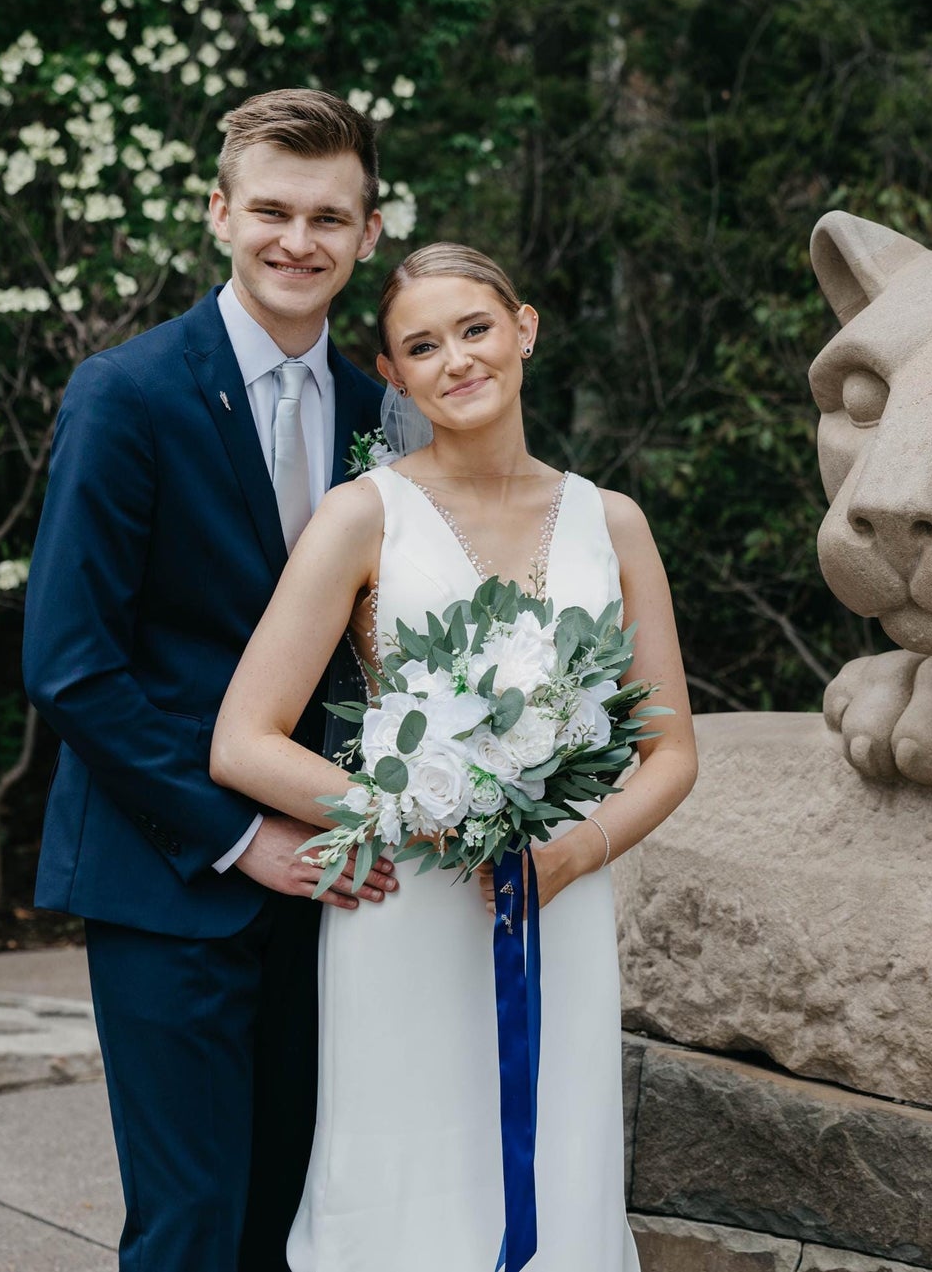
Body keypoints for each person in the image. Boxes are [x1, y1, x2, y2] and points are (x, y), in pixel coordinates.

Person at [209, 241, 697, 1269]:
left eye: (473, 329)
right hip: (407, 903)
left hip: (557, 904)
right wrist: (419, 806)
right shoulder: (360, 518)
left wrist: (573, 852)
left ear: (522, 330)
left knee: (554, 1156)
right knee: (403, 1173)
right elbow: (242, 742)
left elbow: (671, 752)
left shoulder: (612, 522)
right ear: (390, 376)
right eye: (419, 346)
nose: (454, 360)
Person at [23, 89, 400, 1271]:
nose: (299, 241)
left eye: (328, 218)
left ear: (368, 233)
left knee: (288, 1213)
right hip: (170, 874)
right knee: (189, 1224)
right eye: (273, 211)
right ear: (218, 213)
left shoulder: (378, 412)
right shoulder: (125, 394)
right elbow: (70, 665)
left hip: (331, 887)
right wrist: (240, 835)